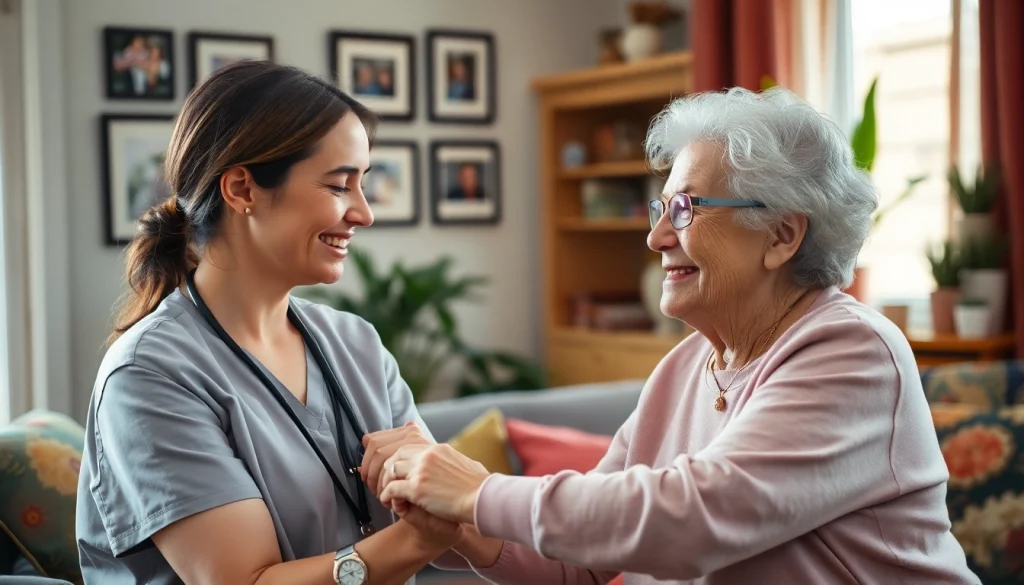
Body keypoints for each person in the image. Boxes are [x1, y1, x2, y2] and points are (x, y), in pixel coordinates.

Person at [370, 87, 982, 584]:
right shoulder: (687, 365)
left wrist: (479, 491)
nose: (657, 236)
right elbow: (575, 562)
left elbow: (695, 520)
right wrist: (454, 523)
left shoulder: (852, 352)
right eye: (660, 209)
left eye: (686, 209)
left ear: (781, 235)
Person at [76, 61, 462, 585]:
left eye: (363, 185)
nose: (364, 213)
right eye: (339, 185)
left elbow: (443, 505)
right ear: (242, 189)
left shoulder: (356, 343)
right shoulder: (150, 374)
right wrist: (417, 538)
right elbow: (246, 581)